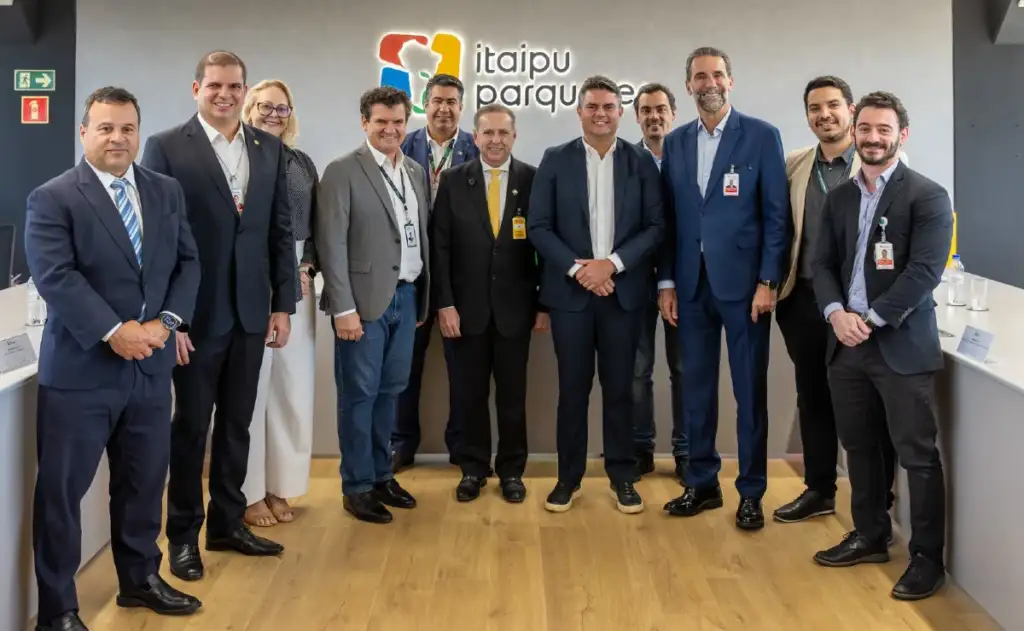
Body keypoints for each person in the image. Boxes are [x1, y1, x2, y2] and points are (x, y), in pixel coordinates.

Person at [25, 86, 202, 631]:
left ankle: (140, 580)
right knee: (62, 495)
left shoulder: (165, 190)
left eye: (127, 128)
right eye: (105, 128)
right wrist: (113, 330)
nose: (117, 138)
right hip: (81, 372)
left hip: (149, 367)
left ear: (138, 132)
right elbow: (56, 276)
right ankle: (58, 610)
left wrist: (165, 324)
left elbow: (188, 263)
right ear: (84, 132)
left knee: (144, 483)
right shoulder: (53, 197)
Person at [141, 50, 295, 581]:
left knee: (237, 424)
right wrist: (171, 319)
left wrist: (282, 304)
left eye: (234, 86)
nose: (225, 94)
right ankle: (183, 537)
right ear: (196, 89)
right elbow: (157, 242)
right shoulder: (165, 146)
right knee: (190, 428)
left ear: (244, 91)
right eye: (215, 86)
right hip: (194, 317)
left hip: (252, 312)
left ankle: (228, 524)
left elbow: (279, 232)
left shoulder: (269, 148)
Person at [811, 91, 952, 601]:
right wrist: (835, 313)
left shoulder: (927, 196)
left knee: (917, 456)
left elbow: (924, 273)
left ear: (901, 135)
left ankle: (927, 559)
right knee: (860, 447)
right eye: (865, 129)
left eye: (883, 130)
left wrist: (868, 319)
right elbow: (821, 264)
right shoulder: (840, 197)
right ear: (854, 132)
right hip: (846, 345)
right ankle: (870, 535)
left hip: (899, 344)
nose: (872, 138)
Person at [659, 46, 790, 531]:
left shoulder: (761, 136)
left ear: (730, 81)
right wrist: (667, 281)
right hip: (690, 286)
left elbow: (776, 217)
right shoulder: (676, 142)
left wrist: (768, 281)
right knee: (695, 390)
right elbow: (669, 219)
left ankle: (751, 492)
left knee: (749, 392)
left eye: (716, 75)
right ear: (688, 85)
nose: (708, 83)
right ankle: (702, 483)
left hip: (746, 289)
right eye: (699, 76)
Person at [529, 75, 664, 514]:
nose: (600, 114)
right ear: (580, 112)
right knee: (572, 390)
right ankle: (567, 479)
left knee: (621, 390)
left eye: (608, 107)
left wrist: (613, 265)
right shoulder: (555, 159)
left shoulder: (640, 162)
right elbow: (539, 227)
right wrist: (581, 270)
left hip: (623, 296)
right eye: (592, 107)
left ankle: (623, 476)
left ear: (620, 112)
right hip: (571, 297)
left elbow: (655, 227)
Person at [774, 76, 898, 524]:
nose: (824, 114)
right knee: (813, 397)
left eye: (832, 105)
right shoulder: (794, 165)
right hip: (805, 300)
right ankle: (819, 489)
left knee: (869, 402)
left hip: (861, 308)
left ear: (851, 109)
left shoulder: (881, 161)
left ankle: (877, 501)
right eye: (814, 108)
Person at [316, 86, 429, 524]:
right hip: (362, 305)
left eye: (398, 121)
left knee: (390, 392)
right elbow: (331, 244)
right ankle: (358, 486)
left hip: (407, 296)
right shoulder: (343, 171)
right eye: (381, 121)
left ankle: (383, 476)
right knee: (359, 395)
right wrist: (343, 308)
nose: (390, 129)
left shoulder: (414, 170)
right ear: (365, 122)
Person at [431, 103, 546, 503]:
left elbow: (544, 245)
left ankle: (512, 471)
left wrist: (544, 304)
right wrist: (445, 303)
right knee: (469, 395)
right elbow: (440, 247)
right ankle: (473, 469)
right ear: (475, 137)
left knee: (513, 397)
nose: (496, 140)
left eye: (503, 133)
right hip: (465, 312)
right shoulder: (452, 180)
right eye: (488, 133)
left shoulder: (533, 179)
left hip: (517, 310)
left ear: (514, 137)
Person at [239, 79, 320, 527]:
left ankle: (279, 486)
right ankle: (248, 493)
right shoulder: (236, 158)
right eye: (265, 106)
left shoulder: (300, 162)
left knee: (292, 390)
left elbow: (317, 224)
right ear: (248, 108)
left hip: (298, 283)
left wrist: (306, 265)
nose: (273, 114)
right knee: (250, 391)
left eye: (282, 108)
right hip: (250, 280)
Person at [393, 74, 480, 471]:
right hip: (411, 274)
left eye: (452, 102)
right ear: (424, 106)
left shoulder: (477, 148)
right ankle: (400, 444)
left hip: (461, 279)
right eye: (437, 101)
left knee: (462, 370)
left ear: (461, 107)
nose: (444, 109)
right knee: (404, 368)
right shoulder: (401, 144)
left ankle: (461, 446)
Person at [631, 82, 687, 482]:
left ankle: (685, 451)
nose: (654, 117)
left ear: (673, 113)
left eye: (660, 109)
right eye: (646, 110)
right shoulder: (624, 159)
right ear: (637, 117)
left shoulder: (690, 156)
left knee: (684, 369)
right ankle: (639, 450)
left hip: (683, 281)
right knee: (636, 371)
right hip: (633, 279)